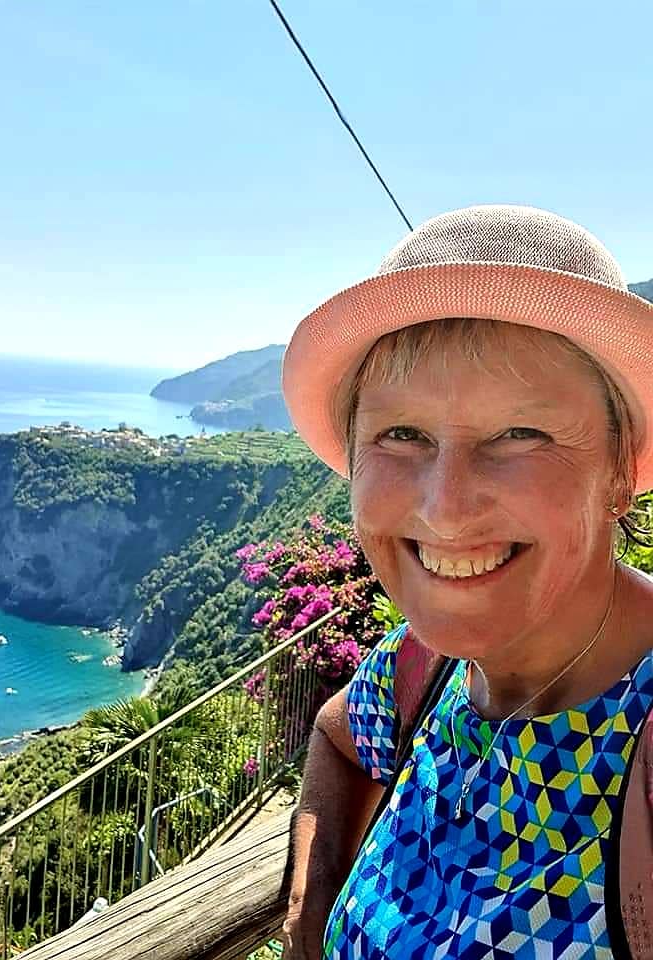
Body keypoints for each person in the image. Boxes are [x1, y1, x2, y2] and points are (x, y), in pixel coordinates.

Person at [279, 205, 653, 959]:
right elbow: (336, 737)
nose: (445, 510)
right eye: (402, 434)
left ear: (619, 471)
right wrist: (307, 917)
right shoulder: (420, 668)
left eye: (521, 433)